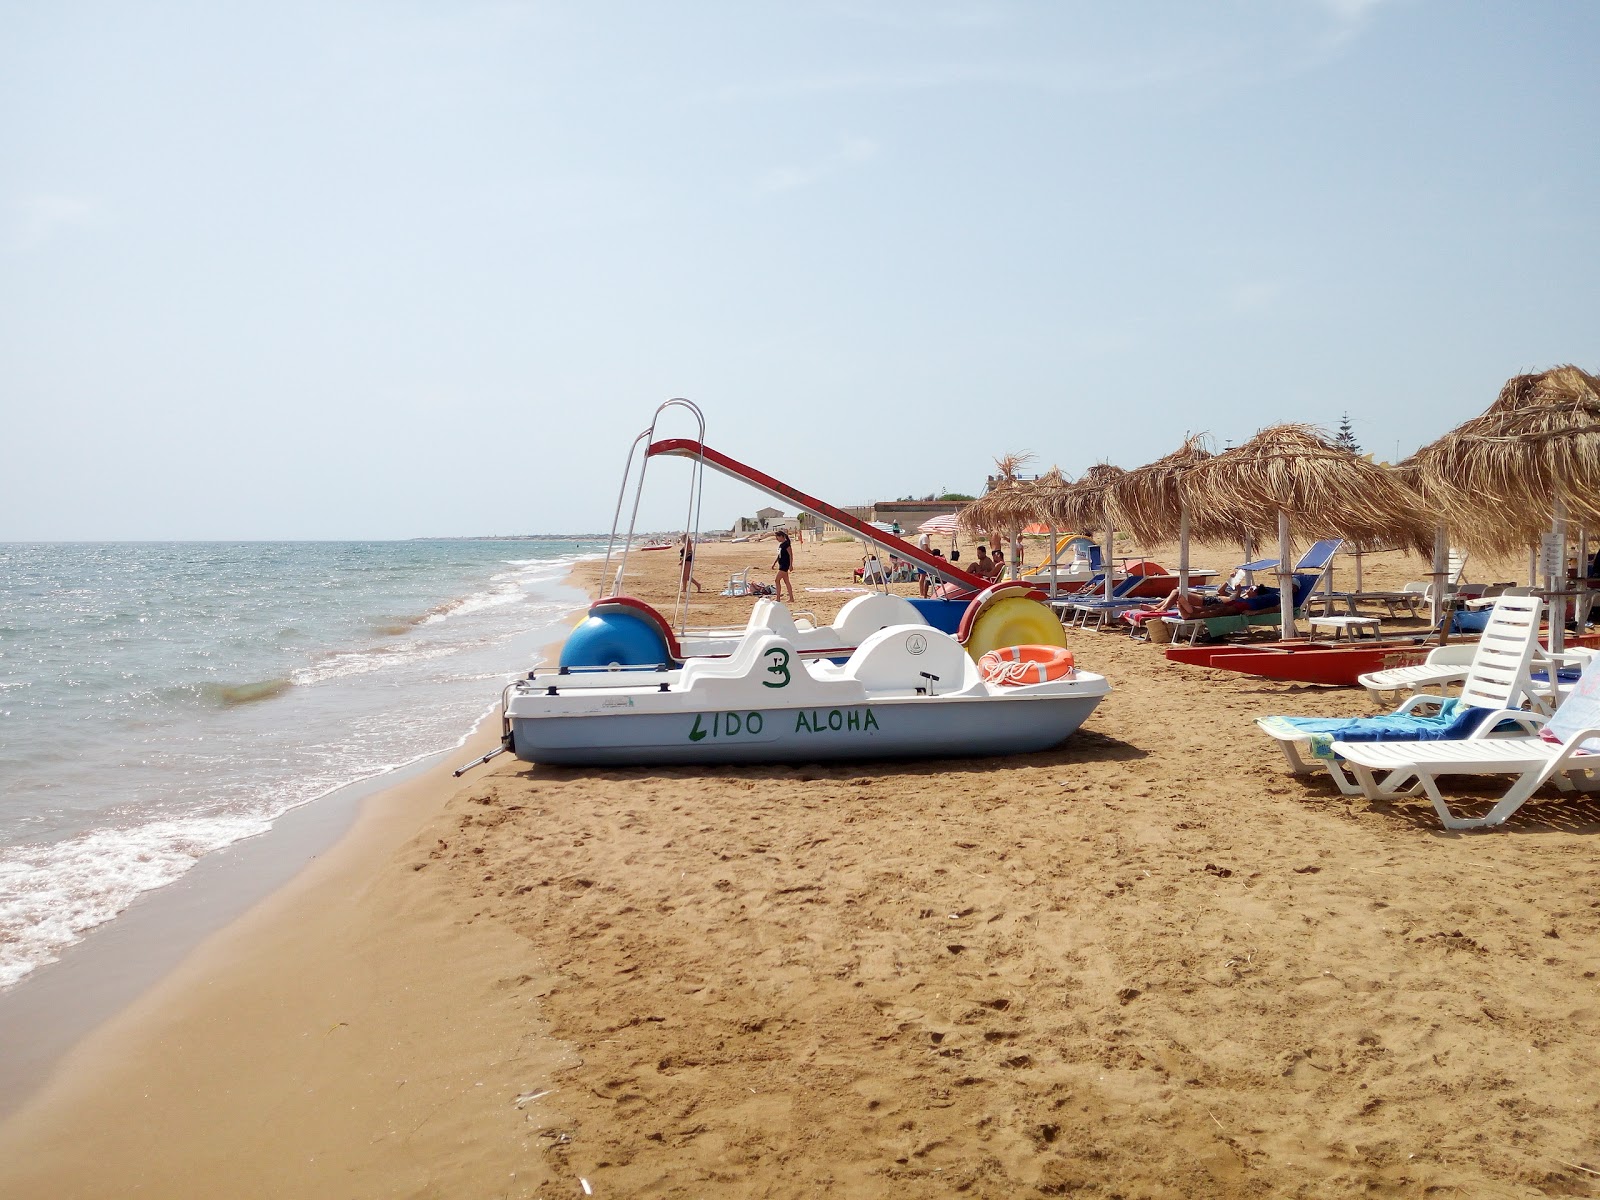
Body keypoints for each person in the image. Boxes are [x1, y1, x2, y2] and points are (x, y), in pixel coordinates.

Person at [771, 529, 795, 602]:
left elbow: (791, 555)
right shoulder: (781, 545)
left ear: (781, 536)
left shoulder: (786, 544)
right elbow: (779, 555)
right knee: (786, 581)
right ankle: (791, 598)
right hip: (781, 564)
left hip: (785, 565)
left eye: (777, 537)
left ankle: (778, 598)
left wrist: (791, 565)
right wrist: (774, 563)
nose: (777, 539)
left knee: (777, 580)